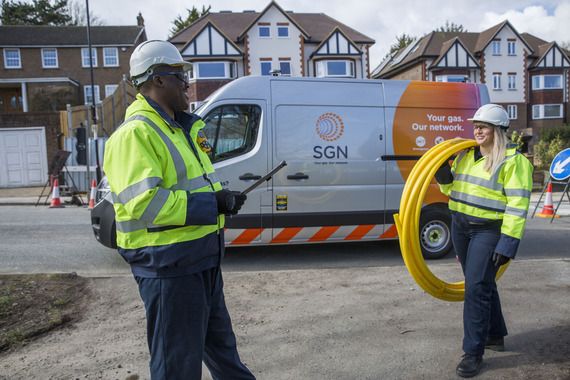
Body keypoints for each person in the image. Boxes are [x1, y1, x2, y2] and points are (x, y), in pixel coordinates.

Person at [102, 40, 255, 380]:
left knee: (224, 354)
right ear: (157, 79)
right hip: (169, 269)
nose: (187, 82)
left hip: (201, 260)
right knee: (177, 367)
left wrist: (222, 197)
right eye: (180, 75)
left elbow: (192, 184)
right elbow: (147, 204)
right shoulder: (135, 135)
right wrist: (212, 204)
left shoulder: (182, 127)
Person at [435, 104, 533, 378]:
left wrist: (508, 243)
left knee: (475, 288)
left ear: (498, 130)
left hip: (488, 230)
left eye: (483, 125)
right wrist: (444, 175)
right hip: (460, 226)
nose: (477, 130)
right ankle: (494, 334)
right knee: (482, 283)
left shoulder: (514, 162)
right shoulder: (466, 154)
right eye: (475, 125)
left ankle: (472, 352)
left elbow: (517, 206)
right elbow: (452, 189)